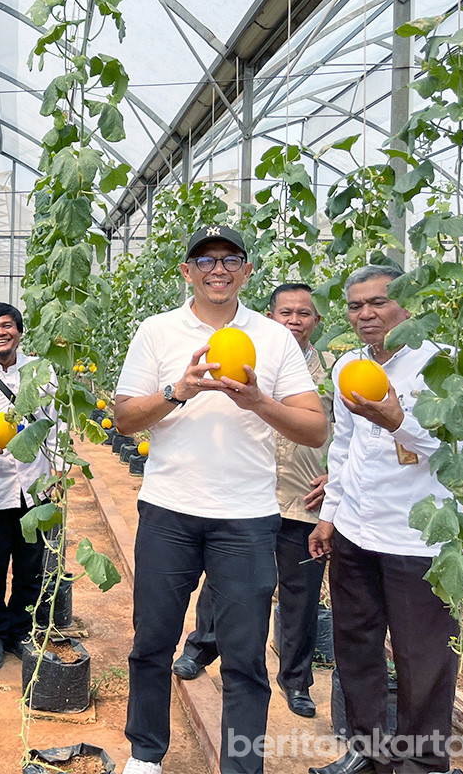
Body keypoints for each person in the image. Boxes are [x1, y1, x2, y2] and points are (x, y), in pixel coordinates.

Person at [113, 226, 327, 774]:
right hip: (168, 510)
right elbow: (123, 418)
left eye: (231, 259)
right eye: (205, 259)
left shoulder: (274, 339)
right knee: (153, 639)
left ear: (246, 272)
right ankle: (145, 754)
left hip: (248, 518)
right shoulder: (157, 331)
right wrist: (175, 392)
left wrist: (258, 400)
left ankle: (241, 764)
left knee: (245, 651)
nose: (218, 269)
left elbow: (313, 428)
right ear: (186, 270)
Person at [306, 265, 463, 774]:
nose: (365, 314)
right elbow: (345, 446)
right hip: (358, 530)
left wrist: (401, 423)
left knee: (421, 657)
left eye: (377, 302)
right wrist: (330, 516)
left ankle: (423, 764)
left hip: (417, 539)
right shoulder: (348, 367)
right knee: (356, 645)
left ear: (407, 305)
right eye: (356, 306)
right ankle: (367, 751)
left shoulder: (443, 369)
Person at [172, 283, 334, 719]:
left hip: (302, 500)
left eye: (304, 313)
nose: (294, 320)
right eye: (286, 312)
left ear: (317, 321)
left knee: (300, 597)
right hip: (244, 495)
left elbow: (352, 434)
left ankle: (296, 681)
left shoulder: (334, 371)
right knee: (222, 583)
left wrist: (337, 479)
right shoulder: (242, 356)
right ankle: (201, 649)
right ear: (271, 316)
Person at [0, 302, 60, 670]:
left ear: (19, 331)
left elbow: (57, 421)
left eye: (7, 326)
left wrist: (59, 472)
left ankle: (21, 631)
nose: (0, 332)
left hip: (35, 483)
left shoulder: (42, 371)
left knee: (30, 562)